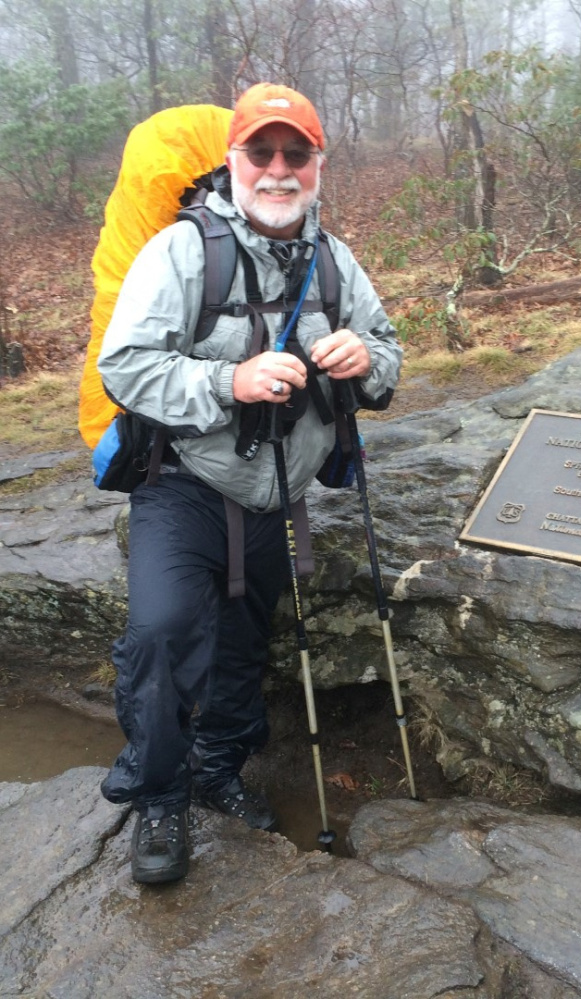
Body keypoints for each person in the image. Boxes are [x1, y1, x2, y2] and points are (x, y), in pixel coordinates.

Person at [97, 83, 402, 884]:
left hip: (278, 490)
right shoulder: (181, 251)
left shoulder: (335, 259)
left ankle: (219, 769)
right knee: (162, 634)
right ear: (232, 160)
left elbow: (389, 350)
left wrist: (367, 361)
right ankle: (161, 794)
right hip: (184, 483)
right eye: (259, 153)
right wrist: (228, 382)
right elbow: (124, 366)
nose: (277, 170)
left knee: (241, 642)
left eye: (294, 153)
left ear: (316, 165)